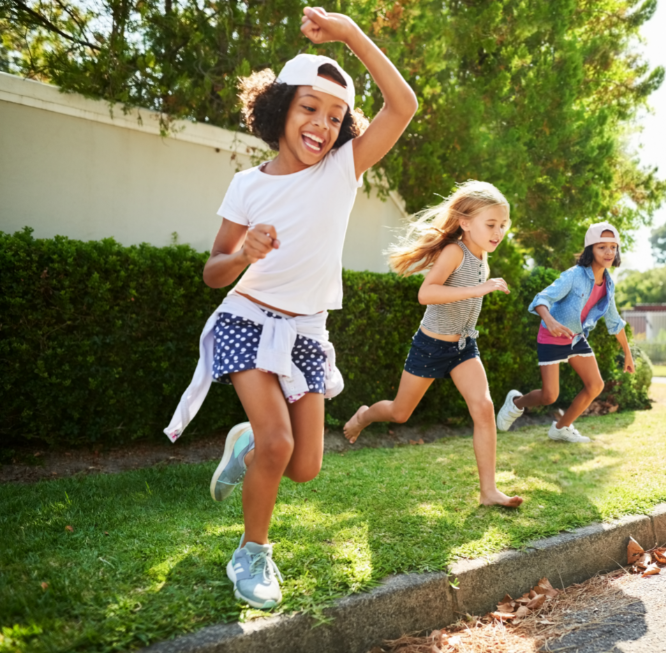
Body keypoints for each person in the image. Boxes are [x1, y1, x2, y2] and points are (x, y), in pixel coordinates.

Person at [163, 7, 417, 609]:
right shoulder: (247, 186)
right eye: (309, 108)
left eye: (335, 116)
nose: (322, 125)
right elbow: (213, 272)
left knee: (303, 466)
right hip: (245, 320)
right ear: (278, 107)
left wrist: (349, 33)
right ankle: (251, 553)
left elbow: (403, 106)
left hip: (306, 332)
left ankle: (244, 445)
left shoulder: (341, 170)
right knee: (279, 445)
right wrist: (243, 254)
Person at [342, 181, 523, 509]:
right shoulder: (455, 251)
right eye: (491, 224)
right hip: (431, 346)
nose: (498, 232)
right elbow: (426, 293)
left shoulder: (482, 254)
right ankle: (364, 416)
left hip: (463, 347)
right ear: (465, 223)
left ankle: (489, 491)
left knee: (483, 408)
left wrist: (480, 288)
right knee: (399, 413)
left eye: (503, 225)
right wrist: (479, 289)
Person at [496, 223, 635, 442]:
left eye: (613, 247)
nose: (609, 252)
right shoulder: (574, 275)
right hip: (552, 337)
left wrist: (628, 353)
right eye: (602, 247)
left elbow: (614, 321)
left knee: (595, 385)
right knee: (549, 396)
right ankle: (515, 403)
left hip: (576, 338)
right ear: (590, 249)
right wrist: (550, 321)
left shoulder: (608, 285)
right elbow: (541, 299)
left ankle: (561, 428)